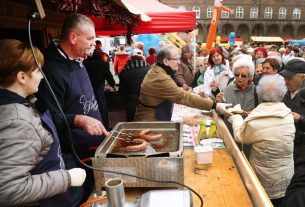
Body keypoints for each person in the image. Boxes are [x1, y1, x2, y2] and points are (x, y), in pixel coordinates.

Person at [0, 39, 86, 207]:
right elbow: (8, 189)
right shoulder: (17, 121)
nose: (43, 75)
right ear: (22, 77)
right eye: (38, 70)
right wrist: (67, 178)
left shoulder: (23, 103)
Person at [36, 13, 109, 205]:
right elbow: (48, 117)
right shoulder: (52, 69)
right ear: (73, 37)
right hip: (71, 154)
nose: (94, 43)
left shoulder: (78, 60)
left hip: (92, 148)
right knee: (80, 198)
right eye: (90, 38)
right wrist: (78, 119)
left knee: (96, 193)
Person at [229, 75, 295, 207]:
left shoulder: (254, 121)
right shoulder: (288, 116)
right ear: (282, 94)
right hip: (287, 177)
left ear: (259, 94)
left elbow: (240, 136)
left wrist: (236, 118)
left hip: (263, 179)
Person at [134, 45, 232, 121]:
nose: (179, 62)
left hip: (154, 117)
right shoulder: (159, 78)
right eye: (176, 59)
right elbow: (183, 97)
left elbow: (174, 92)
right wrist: (215, 105)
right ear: (166, 61)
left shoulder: (158, 70)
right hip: (150, 121)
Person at [84, 48, 116, 130]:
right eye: (106, 56)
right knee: (102, 109)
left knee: (90, 110)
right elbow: (109, 76)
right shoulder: (102, 64)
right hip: (98, 89)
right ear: (102, 56)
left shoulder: (86, 63)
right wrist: (113, 86)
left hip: (87, 90)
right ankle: (105, 128)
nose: (106, 58)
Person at [280, 58, 305, 163]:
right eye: (285, 77)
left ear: (303, 77)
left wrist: (300, 119)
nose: (285, 81)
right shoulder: (286, 94)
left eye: (289, 78)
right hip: (287, 151)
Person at [118, 49, 150, 121]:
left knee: (132, 123)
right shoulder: (149, 68)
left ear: (131, 58)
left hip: (132, 102)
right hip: (147, 101)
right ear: (142, 57)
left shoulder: (125, 70)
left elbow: (122, 91)